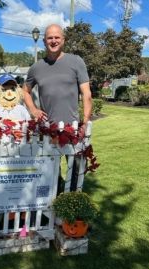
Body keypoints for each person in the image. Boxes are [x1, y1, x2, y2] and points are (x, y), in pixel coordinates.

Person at [23, 23, 92, 191]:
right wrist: (33, 110)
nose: (53, 41)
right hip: (48, 129)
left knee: (75, 172)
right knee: (50, 172)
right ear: (44, 41)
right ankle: (51, 204)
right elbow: (25, 91)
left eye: (57, 37)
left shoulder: (76, 61)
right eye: (49, 38)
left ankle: (72, 209)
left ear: (63, 40)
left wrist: (85, 122)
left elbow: (87, 94)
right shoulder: (36, 67)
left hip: (72, 128)